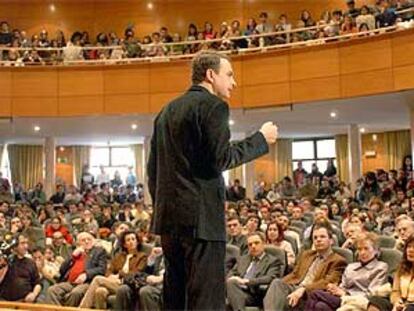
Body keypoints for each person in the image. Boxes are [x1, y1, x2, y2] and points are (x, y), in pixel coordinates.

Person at [147, 50, 278, 311]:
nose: (234, 82)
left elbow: (153, 171)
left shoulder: (166, 111)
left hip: (169, 223)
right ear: (210, 75)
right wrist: (260, 139)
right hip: (202, 222)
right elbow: (221, 158)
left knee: (175, 298)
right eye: (229, 75)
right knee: (206, 299)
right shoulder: (213, 106)